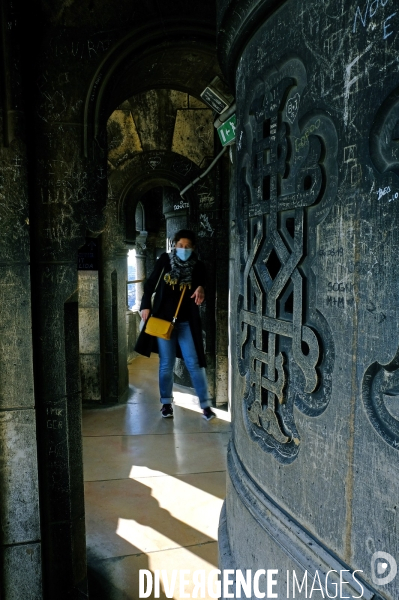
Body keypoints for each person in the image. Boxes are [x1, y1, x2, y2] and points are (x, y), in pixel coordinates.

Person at [135, 229, 216, 420]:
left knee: (194, 363)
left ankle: (205, 406)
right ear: (175, 245)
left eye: (188, 246)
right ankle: (166, 404)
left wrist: (201, 289)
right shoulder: (165, 260)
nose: (184, 249)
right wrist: (145, 305)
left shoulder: (198, 267)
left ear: (193, 248)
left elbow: (203, 286)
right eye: (180, 245)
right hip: (163, 321)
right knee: (166, 364)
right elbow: (150, 283)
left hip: (187, 322)